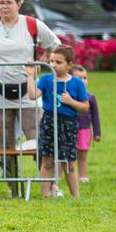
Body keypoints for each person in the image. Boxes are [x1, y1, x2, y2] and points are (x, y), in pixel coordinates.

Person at [0, 0, 60, 197]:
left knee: (38, 138)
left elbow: (55, 44)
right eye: (1, 2)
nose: (4, 6)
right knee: (7, 142)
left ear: (19, 5)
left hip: (27, 91)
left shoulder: (31, 25)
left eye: (8, 2)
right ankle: (12, 186)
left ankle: (51, 184)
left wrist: (43, 62)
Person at [26, 45, 89, 198]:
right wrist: (29, 76)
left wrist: (71, 101)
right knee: (47, 160)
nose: (53, 65)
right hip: (49, 122)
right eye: (52, 61)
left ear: (69, 65)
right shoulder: (46, 80)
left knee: (68, 162)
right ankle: (45, 195)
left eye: (58, 62)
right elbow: (33, 95)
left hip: (68, 123)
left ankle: (76, 196)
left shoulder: (76, 83)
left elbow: (85, 107)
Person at [70, 64, 101, 183]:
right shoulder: (68, 97)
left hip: (85, 130)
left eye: (85, 78)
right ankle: (61, 175)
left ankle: (83, 176)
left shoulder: (91, 98)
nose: (83, 81)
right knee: (66, 155)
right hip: (70, 129)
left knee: (82, 155)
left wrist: (97, 133)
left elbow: (95, 116)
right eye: (79, 78)